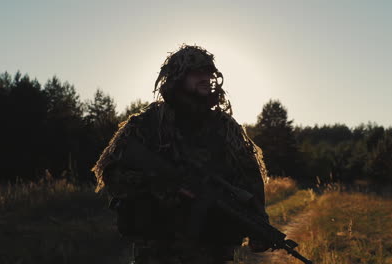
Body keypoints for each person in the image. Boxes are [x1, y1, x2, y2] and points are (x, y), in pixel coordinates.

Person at [92, 44, 270, 264]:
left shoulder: (225, 127)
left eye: (209, 73)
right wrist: (164, 185)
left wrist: (259, 225)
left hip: (211, 251)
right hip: (157, 250)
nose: (205, 78)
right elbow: (111, 175)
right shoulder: (149, 124)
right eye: (197, 73)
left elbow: (250, 179)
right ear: (178, 77)